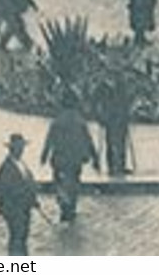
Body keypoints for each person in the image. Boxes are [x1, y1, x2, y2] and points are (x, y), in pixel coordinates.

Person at [41, 94, 100, 222]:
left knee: (59, 182)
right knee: (74, 182)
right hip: (75, 159)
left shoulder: (57, 121)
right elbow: (88, 141)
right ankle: (71, 205)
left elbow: (49, 140)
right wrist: (95, 158)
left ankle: (63, 204)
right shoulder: (80, 121)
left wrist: (44, 156)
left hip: (60, 159)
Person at [0, 133, 41, 255]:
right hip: (13, 208)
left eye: (22, 147)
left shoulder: (21, 164)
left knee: (23, 236)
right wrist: (27, 195)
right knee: (17, 236)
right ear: (12, 149)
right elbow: (7, 190)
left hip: (24, 208)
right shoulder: (6, 167)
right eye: (19, 148)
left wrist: (33, 198)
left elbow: (28, 182)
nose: (21, 150)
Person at [93, 61, 133, 175]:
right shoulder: (102, 87)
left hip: (121, 119)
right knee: (110, 143)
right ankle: (112, 167)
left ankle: (120, 165)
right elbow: (94, 102)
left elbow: (126, 101)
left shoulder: (122, 86)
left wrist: (128, 114)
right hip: (110, 119)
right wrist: (99, 117)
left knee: (121, 143)